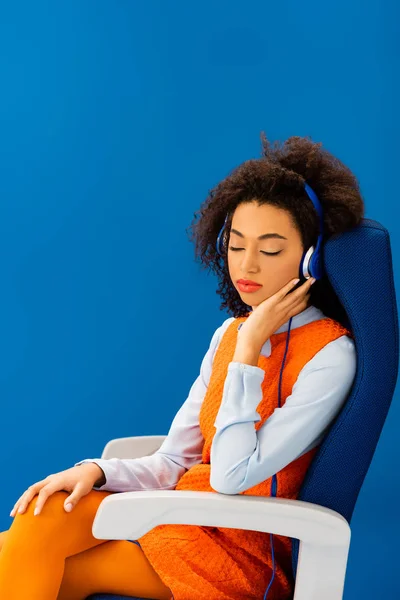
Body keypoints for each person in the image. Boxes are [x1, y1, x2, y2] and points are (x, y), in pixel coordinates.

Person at [0, 134, 364, 600]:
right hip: (180, 519)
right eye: (235, 246)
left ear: (311, 258)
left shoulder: (330, 355)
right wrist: (97, 471)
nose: (247, 265)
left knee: (39, 569)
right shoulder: (228, 335)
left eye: (270, 250)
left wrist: (249, 350)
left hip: (242, 552)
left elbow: (232, 477)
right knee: (42, 515)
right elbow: (177, 461)